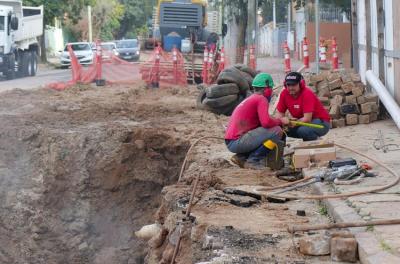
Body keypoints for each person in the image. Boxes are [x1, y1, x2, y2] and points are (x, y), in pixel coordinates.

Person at [225, 73, 286, 170]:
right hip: (237, 142)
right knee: (277, 131)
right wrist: (280, 121)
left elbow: (263, 121)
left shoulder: (252, 98)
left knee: (267, 131)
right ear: (267, 89)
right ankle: (253, 160)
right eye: (270, 89)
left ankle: (241, 157)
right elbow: (266, 123)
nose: (271, 92)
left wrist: (276, 120)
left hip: (232, 142)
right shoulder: (261, 99)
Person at [276, 72, 330, 141]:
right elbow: (279, 115)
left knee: (303, 131)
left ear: (301, 84)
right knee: (282, 131)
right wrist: (281, 122)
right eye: (288, 85)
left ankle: (315, 143)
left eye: (294, 85)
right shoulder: (284, 94)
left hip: (321, 123)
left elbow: (307, 119)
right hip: (303, 121)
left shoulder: (307, 94)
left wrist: (291, 123)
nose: (290, 88)